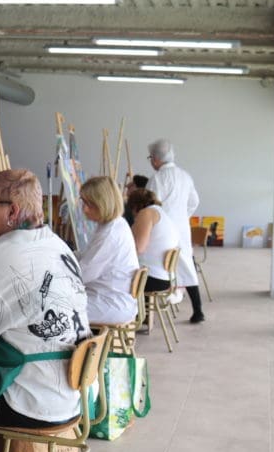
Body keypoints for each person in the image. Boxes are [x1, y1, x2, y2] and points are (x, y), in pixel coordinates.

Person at [0, 168, 91, 430]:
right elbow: (19, 273)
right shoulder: (58, 244)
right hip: (71, 397)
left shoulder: (0, 254)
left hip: (27, 403)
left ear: (12, 212)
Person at [147, 139, 205, 323]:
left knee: (157, 264)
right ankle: (198, 310)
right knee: (187, 265)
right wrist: (182, 216)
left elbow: (150, 206)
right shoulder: (185, 176)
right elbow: (194, 201)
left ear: (156, 159)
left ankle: (147, 313)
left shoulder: (157, 179)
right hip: (181, 227)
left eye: (150, 158)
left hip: (162, 229)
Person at [78, 176, 139, 325]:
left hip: (110, 303)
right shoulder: (115, 224)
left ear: (103, 204)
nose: (84, 209)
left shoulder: (110, 234)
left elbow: (81, 275)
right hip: (110, 296)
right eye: (83, 202)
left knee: (53, 308)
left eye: (89, 204)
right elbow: (88, 256)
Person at [127, 188, 181, 296]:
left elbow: (139, 248)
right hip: (166, 277)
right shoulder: (162, 213)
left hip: (150, 278)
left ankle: (134, 307)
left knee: (110, 278)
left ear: (135, 206)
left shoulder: (146, 213)